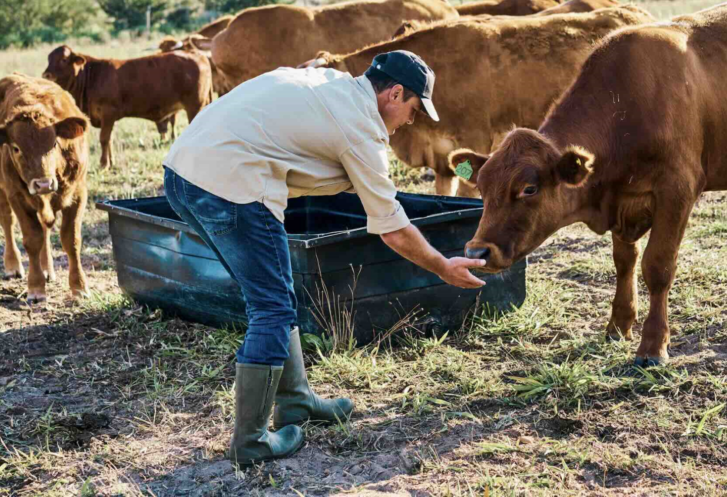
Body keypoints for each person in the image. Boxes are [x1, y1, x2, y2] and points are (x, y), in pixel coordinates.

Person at [162, 50, 486, 466]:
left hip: (183, 174)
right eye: (413, 109)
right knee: (272, 309)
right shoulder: (360, 130)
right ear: (394, 93)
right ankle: (251, 441)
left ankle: (296, 402)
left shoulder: (331, 83)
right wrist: (443, 266)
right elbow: (391, 228)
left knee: (275, 296)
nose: (410, 120)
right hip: (230, 186)